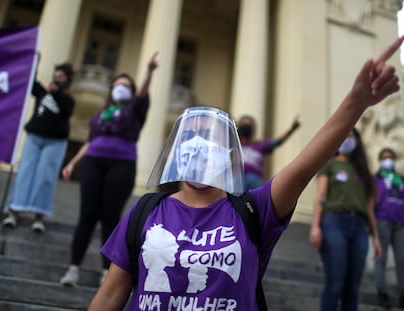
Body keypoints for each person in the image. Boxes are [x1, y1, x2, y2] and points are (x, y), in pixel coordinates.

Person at [88, 36, 404, 311]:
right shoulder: (146, 211)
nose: (199, 147)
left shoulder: (255, 209)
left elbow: (303, 166)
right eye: (191, 138)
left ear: (228, 157)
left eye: (211, 140)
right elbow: (112, 293)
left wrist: (355, 103)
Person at [59, 52, 158, 287]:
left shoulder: (134, 110)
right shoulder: (101, 115)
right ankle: (73, 268)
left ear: (131, 91)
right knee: (87, 216)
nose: (119, 88)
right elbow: (90, 141)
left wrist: (149, 72)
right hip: (94, 161)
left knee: (110, 217)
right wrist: (73, 162)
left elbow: (142, 93)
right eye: (116, 85)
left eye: (124, 85)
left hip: (121, 164)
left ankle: (107, 272)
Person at [309, 127, 382, 311]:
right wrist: (315, 225)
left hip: (359, 227)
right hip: (334, 223)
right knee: (335, 283)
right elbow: (321, 196)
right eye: (344, 136)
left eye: (350, 136)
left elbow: (369, 208)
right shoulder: (330, 164)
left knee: (353, 289)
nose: (347, 140)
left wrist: (376, 237)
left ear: (357, 142)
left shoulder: (364, 173)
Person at [2, 62, 75, 233]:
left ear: (68, 80)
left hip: (55, 142)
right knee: (25, 173)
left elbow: (65, 112)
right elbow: (31, 83)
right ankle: (14, 211)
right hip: (34, 137)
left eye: (61, 76)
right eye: (56, 75)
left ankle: (39, 216)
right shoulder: (43, 92)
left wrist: (57, 94)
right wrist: (34, 62)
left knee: (45, 178)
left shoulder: (68, 100)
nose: (57, 78)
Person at [373, 147, 404, 309]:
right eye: (385, 157)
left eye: (391, 157)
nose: (388, 160)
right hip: (382, 221)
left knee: (402, 260)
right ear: (379, 160)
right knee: (381, 257)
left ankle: (402, 293)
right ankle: (382, 291)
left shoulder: (401, 179)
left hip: (400, 224)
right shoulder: (375, 178)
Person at [237, 114, 300, 191]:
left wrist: (291, 130)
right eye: (244, 125)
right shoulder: (233, 145)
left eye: (249, 125)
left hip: (255, 180)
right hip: (237, 178)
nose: (246, 127)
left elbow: (277, 142)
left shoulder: (259, 145)